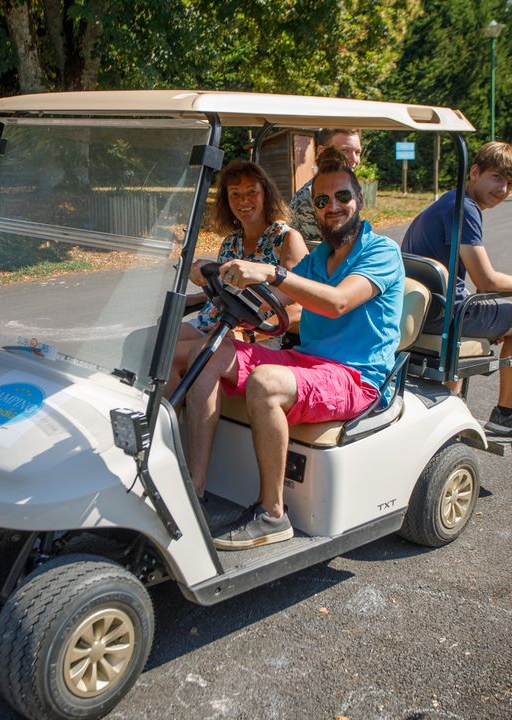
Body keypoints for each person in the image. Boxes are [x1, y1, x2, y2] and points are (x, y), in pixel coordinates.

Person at [186, 148, 404, 550]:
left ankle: (272, 514)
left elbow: (337, 302)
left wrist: (273, 271)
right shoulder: (319, 257)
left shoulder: (381, 252)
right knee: (208, 354)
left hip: (357, 376)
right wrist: (213, 275)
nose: (332, 207)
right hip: (307, 361)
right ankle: (193, 493)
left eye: (342, 197)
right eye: (322, 201)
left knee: (266, 382)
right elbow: (271, 298)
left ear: (359, 199)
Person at [400, 141, 512, 440]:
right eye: (497, 178)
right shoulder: (464, 209)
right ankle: (507, 415)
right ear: (476, 172)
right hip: (445, 315)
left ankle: (451, 406)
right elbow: (487, 282)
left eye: (510, 184)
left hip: (424, 309)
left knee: (497, 312)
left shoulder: (449, 202)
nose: (503, 189)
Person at [170, 160, 308, 388]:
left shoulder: (286, 239)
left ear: (266, 194)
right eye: (235, 194)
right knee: (146, 343)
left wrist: (247, 334)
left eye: (252, 192)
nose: (243, 200)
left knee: (170, 355)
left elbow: (300, 307)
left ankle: (167, 418)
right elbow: (232, 290)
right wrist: (197, 296)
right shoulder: (231, 242)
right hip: (214, 322)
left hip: (256, 334)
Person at [289, 128, 362, 245]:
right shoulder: (308, 197)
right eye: (344, 151)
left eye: (357, 152)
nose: (354, 160)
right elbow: (313, 253)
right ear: (322, 151)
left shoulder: (349, 191)